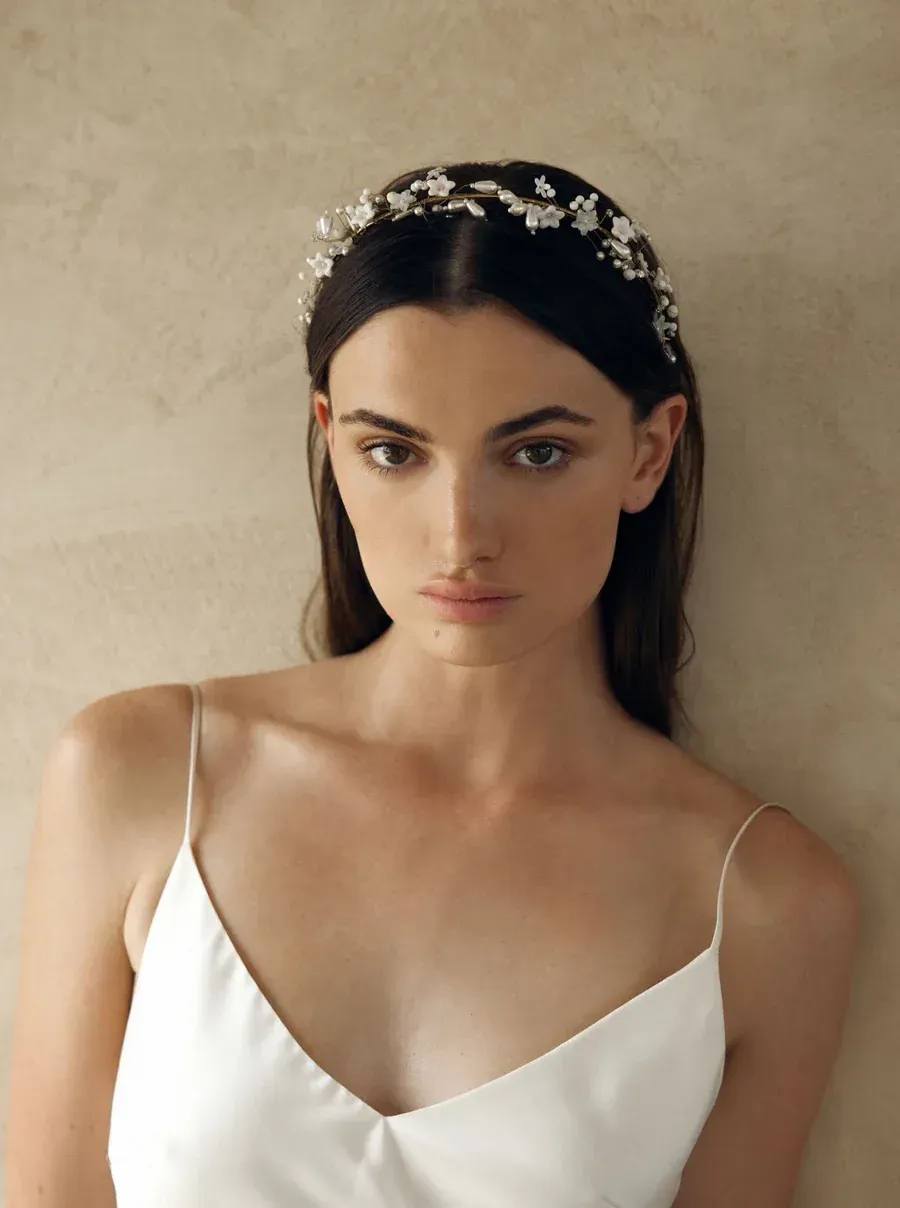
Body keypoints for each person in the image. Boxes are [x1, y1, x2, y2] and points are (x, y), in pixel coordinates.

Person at [6, 159, 860, 1207]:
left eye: (537, 452)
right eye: (395, 451)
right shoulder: (140, 774)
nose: (461, 536)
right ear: (332, 437)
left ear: (650, 450)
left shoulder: (769, 903)